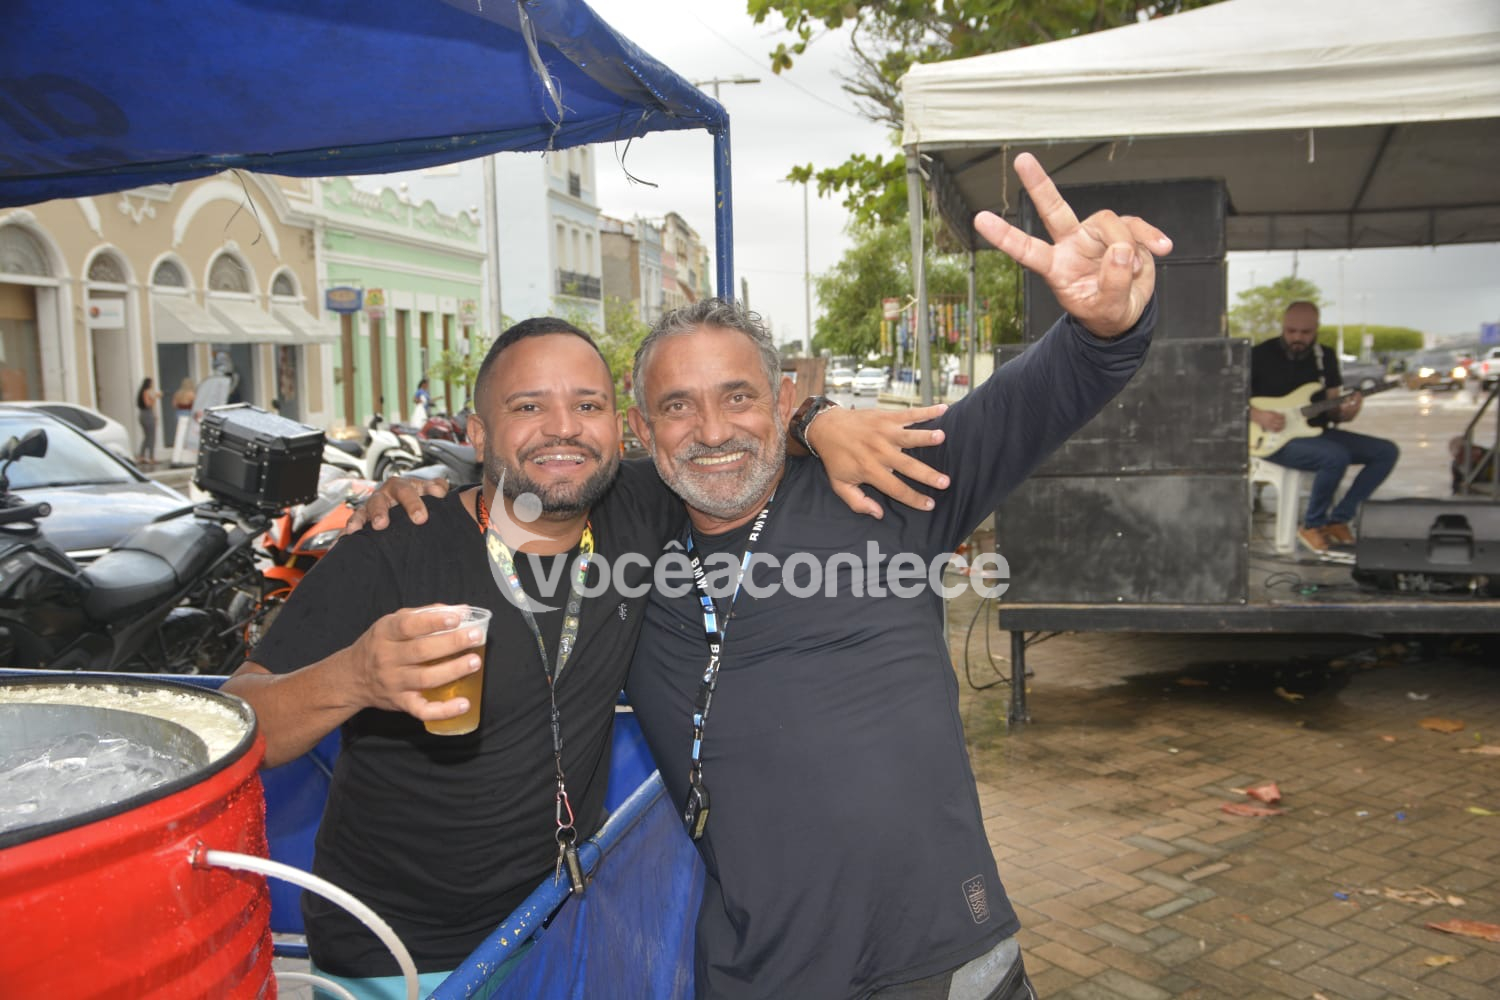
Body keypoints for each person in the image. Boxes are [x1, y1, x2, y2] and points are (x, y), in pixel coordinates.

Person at [365, 153, 1169, 998]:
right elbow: (524, 481)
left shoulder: (887, 487)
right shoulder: (623, 525)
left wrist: (1103, 323)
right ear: (642, 426)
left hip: (941, 961)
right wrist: (414, 491)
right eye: (678, 406)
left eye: (739, 397)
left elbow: (1052, 390)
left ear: (783, 402)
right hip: (753, 972)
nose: (712, 430)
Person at [223, 318, 944, 998]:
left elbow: (721, 434)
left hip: (561, 919)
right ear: (479, 432)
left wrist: (819, 421)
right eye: (528, 406)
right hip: (403, 954)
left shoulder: (639, 504)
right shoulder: (398, 541)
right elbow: (235, 721)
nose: (563, 427)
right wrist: (354, 676)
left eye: (587, 405)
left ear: (620, 427)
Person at [1249, 301, 1399, 553]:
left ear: (1316, 329)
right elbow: (1227, 399)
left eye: (1305, 332)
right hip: (1273, 439)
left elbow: (1334, 411)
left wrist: (1348, 411)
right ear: (1283, 327)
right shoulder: (1258, 355)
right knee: (1334, 457)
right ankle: (1312, 525)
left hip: (1317, 433)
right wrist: (1257, 415)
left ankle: (1339, 519)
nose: (1298, 338)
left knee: (1386, 452)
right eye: (1291, 331)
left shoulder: (1324, 357)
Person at [135, 377, 160, 465]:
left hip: (145, 415)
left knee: (147, 436)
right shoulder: (146, 392)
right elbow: (148, 404)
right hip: (147, 415)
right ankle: (151, 457)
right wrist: (154, 398)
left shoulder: (143, 392)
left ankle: (142, 456)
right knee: (151, 436)